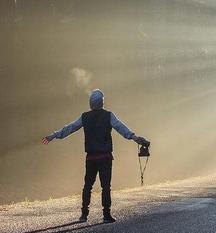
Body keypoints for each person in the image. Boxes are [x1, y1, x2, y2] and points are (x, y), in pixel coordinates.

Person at [41, 89, 149, 223]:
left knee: (88, 186)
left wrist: (54, 135)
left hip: (91, 158)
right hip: (105, 157)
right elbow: (121, 128)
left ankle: (84, 214)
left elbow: (70, 128)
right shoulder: (109, 115)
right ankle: (106, 215)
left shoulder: (85, 117)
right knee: (106, 186)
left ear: (90, 103)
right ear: (102, 102)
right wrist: (135, 138)